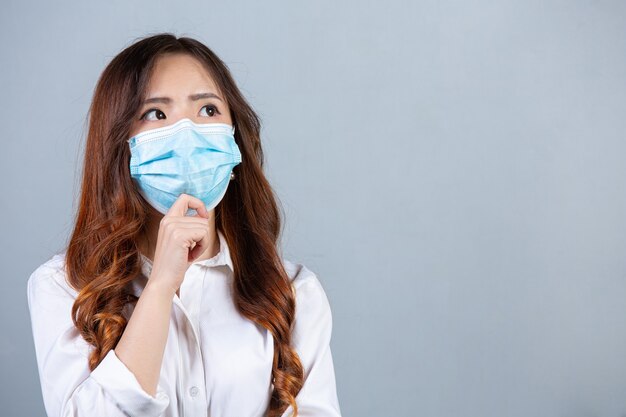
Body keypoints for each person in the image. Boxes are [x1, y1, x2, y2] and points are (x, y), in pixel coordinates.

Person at [26, 33, 341, 417]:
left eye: (208, 110)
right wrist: (160, 287)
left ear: (235, 140)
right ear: (118, 145)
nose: (188, 133)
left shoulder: (292, 293)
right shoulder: (64, 287)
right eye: (156, 113)